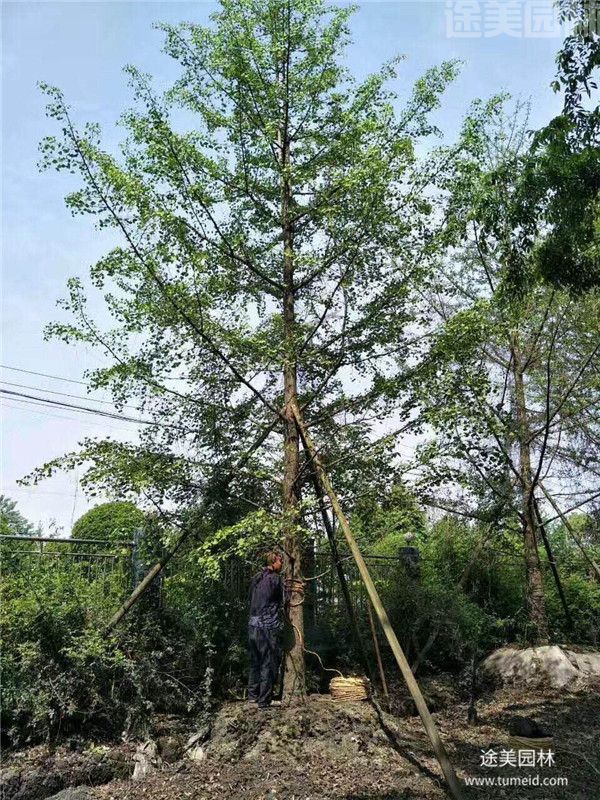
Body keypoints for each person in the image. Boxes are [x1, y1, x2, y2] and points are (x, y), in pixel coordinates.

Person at [247, 550, 284, 709]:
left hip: (252, 626)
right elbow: (286, 599)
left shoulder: (257, 578)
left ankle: (252, 696)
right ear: (274, 562)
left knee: (255, 662)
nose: (282, 565)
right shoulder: (275, 579)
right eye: (280, 561)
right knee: (267, 663)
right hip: (266, 627)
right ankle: (264, 701)